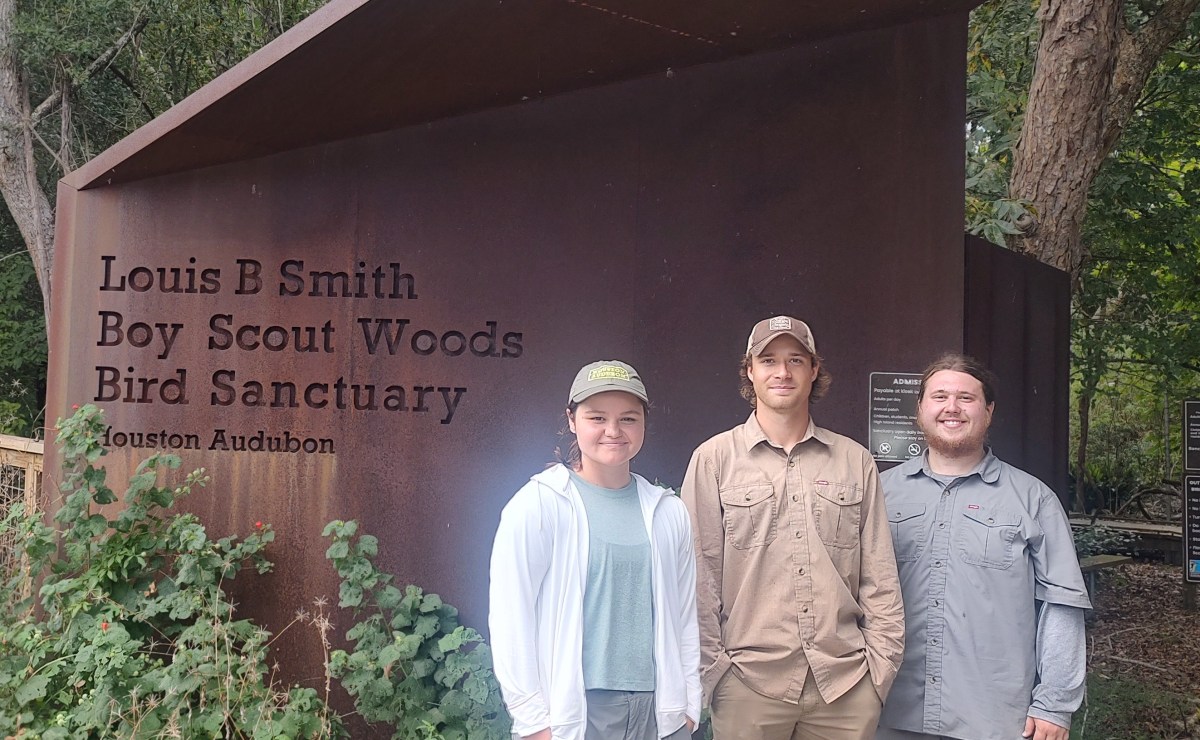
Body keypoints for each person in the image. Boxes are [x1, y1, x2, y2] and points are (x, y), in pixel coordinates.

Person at [681, 316, 904, 740]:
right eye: (768, 360)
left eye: (795, 360)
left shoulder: (855, 461)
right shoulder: (713, 460)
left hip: (846, 686)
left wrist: (880, 672)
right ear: (750, 370)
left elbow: (880, 577)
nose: (782, 372)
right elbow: (698, 576)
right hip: (748, 685)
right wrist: (714, 673)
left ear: (813, 370)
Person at [876, 353, 1091, 740]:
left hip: (994, 718)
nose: (952, 408)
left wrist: (1054, 704)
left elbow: (1063, 604)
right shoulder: (879, 493)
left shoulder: (1033, 499)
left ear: (988, 411)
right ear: (920, 409)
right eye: (939, 397)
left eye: (967, 398)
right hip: (887, 710)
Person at [489, 360, 701, 740]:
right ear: (572, 420)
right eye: (597, 417)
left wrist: (687, 705)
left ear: (644, 424)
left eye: (629, 419)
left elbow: (684, 615)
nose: (613, 431)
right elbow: (510, 616)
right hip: (579, 712)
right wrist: (532, 719)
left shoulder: (668, 511)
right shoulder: (540, 504)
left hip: (661, 714)